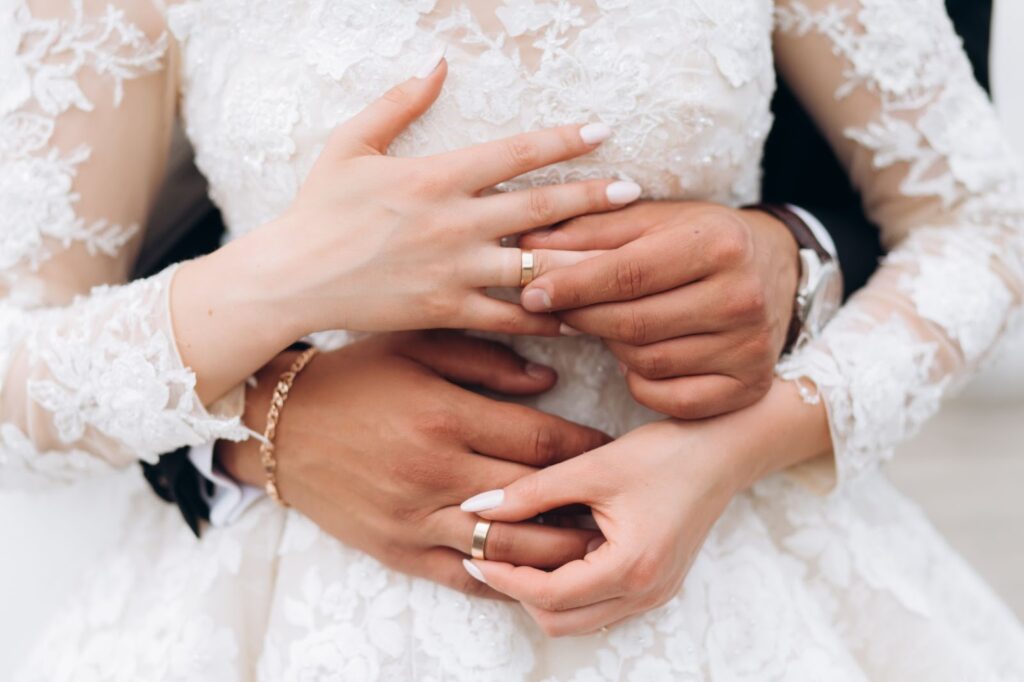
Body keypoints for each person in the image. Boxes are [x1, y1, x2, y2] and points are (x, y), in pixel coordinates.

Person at [4, 1, 1023, 680]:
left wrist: (738, 441)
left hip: (734, 569)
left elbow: (981, 218)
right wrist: (282, 295)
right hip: (300, 608)